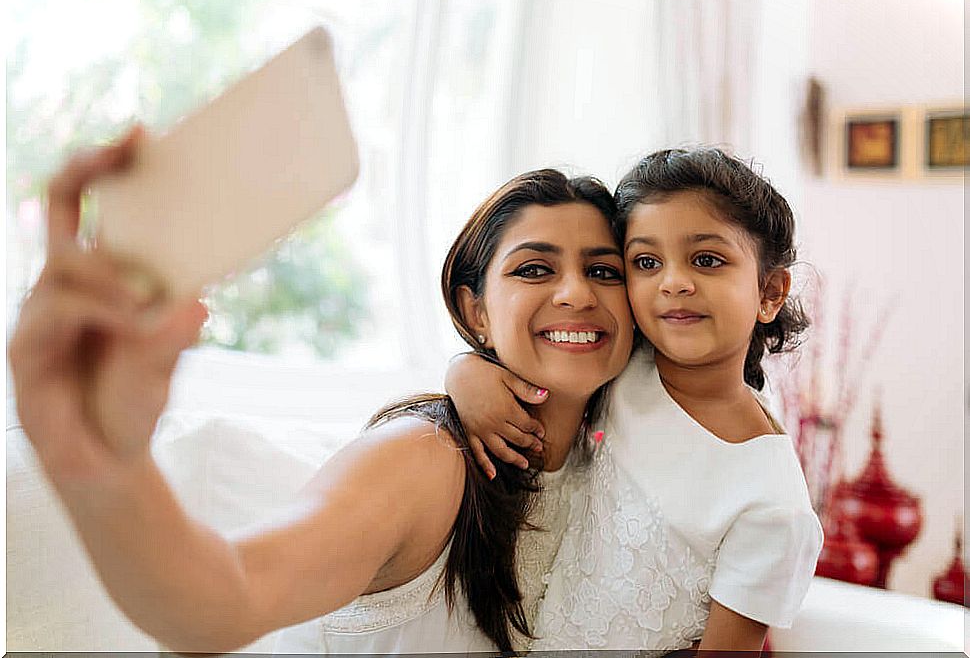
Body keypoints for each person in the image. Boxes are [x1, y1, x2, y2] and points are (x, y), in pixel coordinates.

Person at [7, 126, 634, 654]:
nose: (578, 293)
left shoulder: (623, 448)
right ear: (476, 314)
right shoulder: (426, 460)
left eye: (604, 271)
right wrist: (107, 462)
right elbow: (226, 596)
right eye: (534, 268)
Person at [445, 147, 825, 652]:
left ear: (770, 293)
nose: (674, 282)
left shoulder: (774, 506)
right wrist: (464, 372)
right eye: (646, 262)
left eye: (706, 260)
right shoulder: (627, 368)